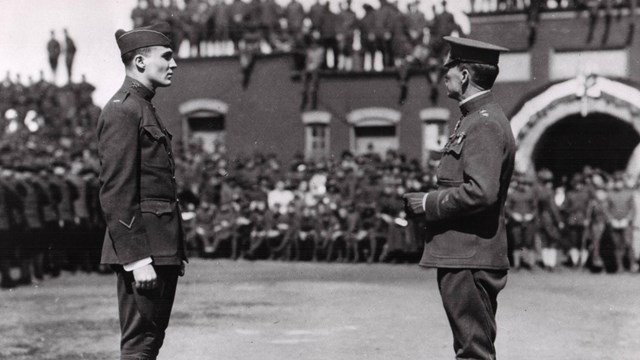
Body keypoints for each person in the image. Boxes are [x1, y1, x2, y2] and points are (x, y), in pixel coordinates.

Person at [403, 36, 514, 360]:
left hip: (469, 256)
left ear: (464, 75)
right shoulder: (475, 119)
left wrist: (428, 203)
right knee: (470, 347)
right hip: (465, 254)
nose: (444, 72)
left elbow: (482, 192)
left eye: (449, 66)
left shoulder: (484, 124)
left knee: (473, 351)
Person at [96, 22, 186, 360]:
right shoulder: (123, 109)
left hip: (160, 245)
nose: (173, 64)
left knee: (150, 342)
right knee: (140, 344)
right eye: (166, 57)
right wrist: (137, 259)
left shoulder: (143, 106)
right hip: (146, 249)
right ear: (140, 62)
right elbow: (116, 191)